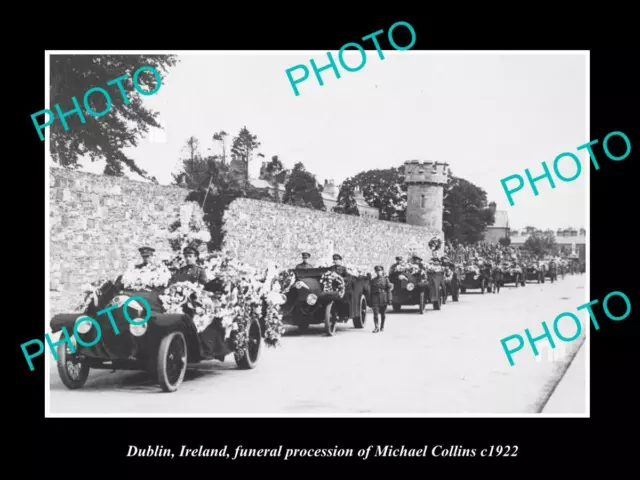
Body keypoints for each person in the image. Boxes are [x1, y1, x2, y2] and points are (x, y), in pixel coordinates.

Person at [370, 265, 393, 333]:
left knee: (383, 314)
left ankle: (382, 326)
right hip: (375, 298)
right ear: (375, 272)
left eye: (380, 271)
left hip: (383, 298)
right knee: (375, 314)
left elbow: (388, 290)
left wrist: (389, 299)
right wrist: (370, 301)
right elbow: (370, 291)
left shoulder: (386, 279)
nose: (378, 272)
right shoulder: (373, 280)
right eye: (377, 271)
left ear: (382, 271)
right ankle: (376, 327)